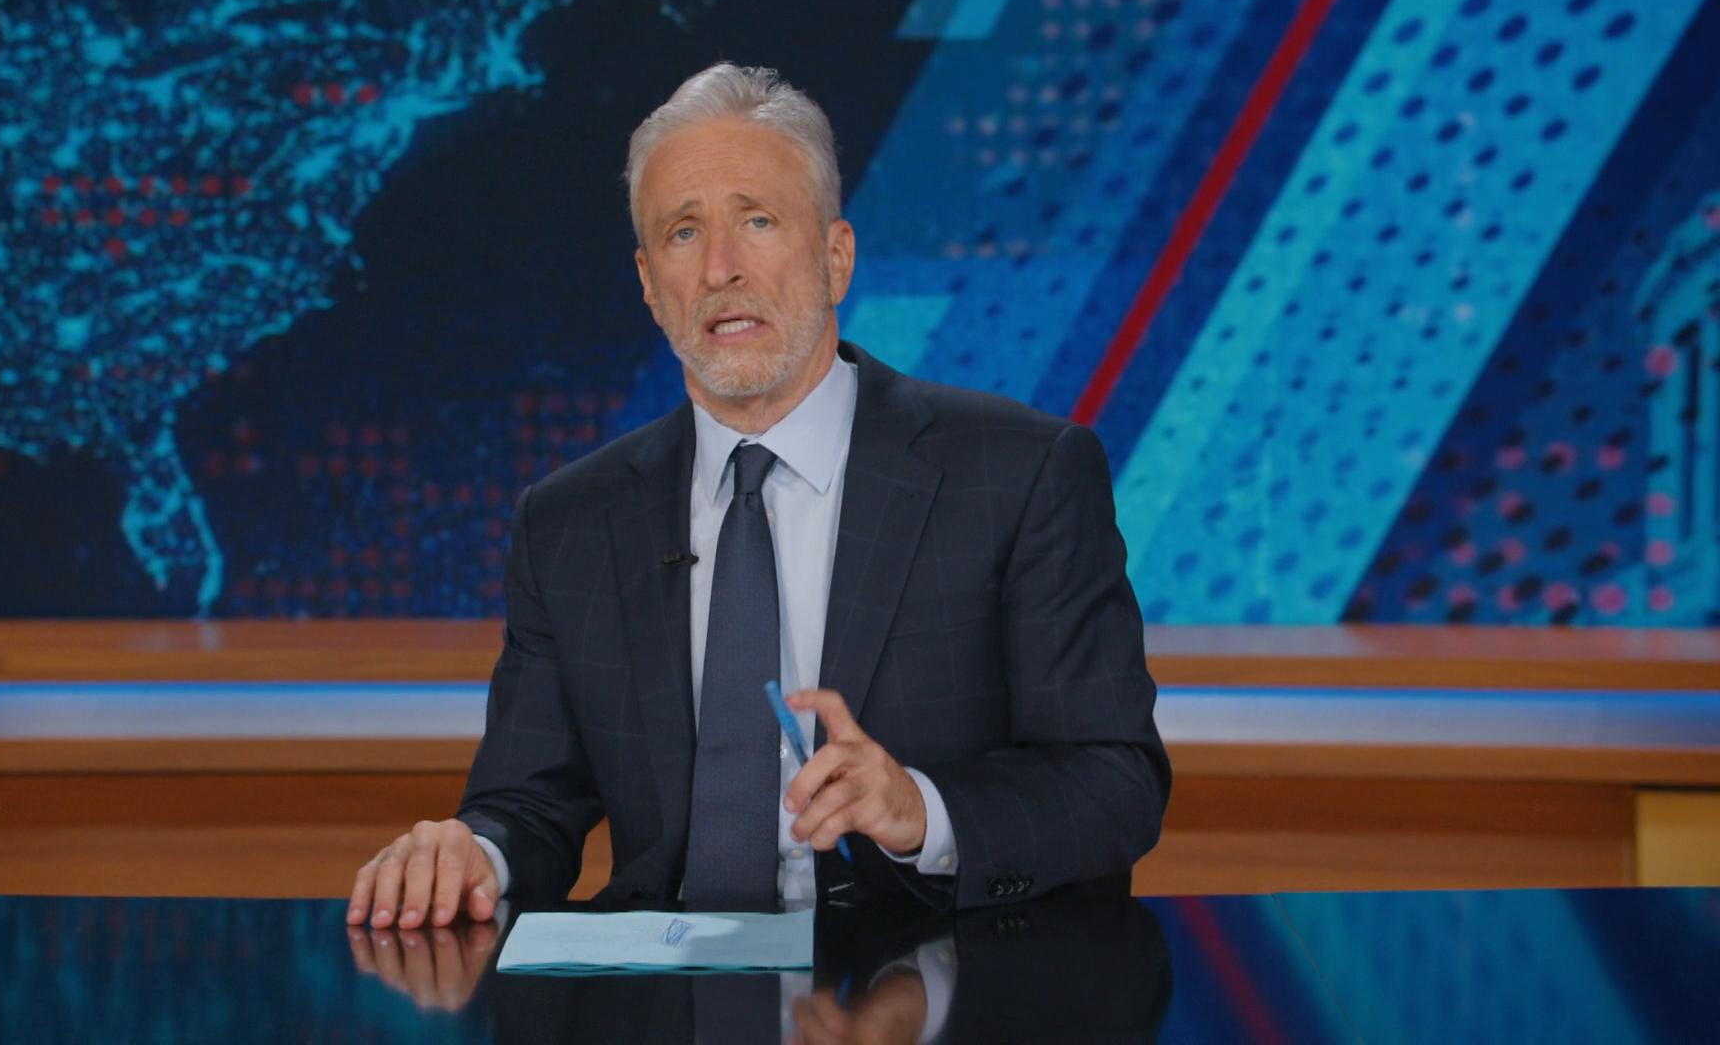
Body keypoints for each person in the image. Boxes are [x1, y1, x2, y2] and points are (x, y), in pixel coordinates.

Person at [350, 62, 1169, 932]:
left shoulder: (1021, 474)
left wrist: (921, 810)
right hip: (668, 979)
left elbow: (1113, 781)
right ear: (648, 285)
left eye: (758, 221)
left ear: (836, 257)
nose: (720, 269)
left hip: (930, 968)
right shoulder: (569, 522)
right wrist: (475, 852)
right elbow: (528, 803)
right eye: (683, 233)